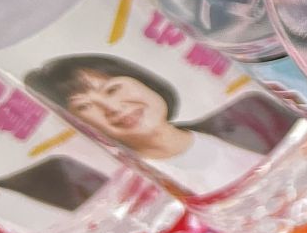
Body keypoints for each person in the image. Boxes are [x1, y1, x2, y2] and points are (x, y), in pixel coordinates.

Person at [24, 53, 288, 195]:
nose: (113, 108)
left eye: (112, 89)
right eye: (84, 107)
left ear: (142, 80)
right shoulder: (146, 194)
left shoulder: (250, 113)